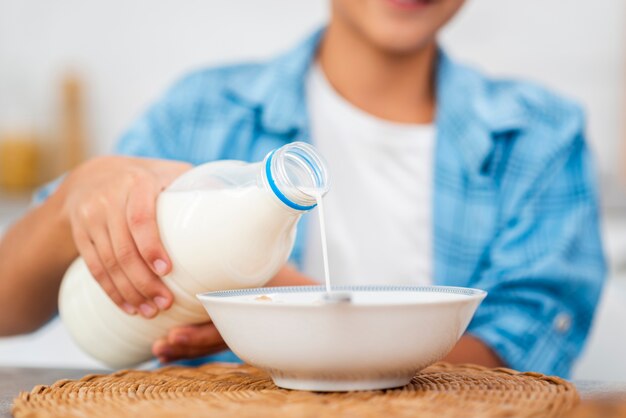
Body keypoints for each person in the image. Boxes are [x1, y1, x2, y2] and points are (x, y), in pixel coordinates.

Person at [0, 0, 605, 378]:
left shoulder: (540, 138)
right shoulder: (200, 113)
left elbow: (515, 363)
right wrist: (75, 197)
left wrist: (282, 317)